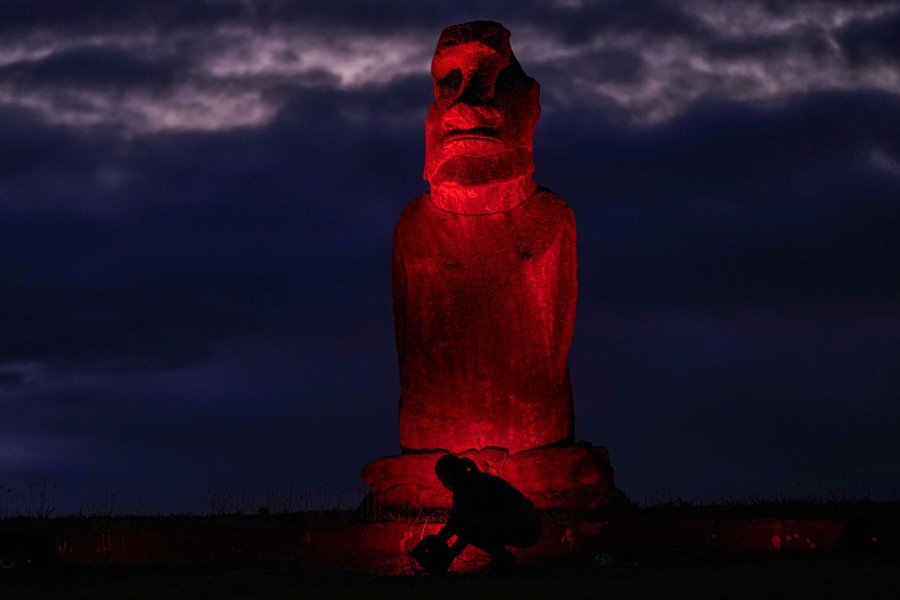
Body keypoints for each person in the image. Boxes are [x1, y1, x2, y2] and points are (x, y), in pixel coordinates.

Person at [419, 454, 542, 572]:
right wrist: (452, 552)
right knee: (470, 522)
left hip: (522, 524)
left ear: (448, 473)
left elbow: (457, 522)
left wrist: (434, 542)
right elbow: (468, 528)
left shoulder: (465, 484)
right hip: (531, 525)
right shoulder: (474, 479)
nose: (444, 486)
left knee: (467, 522)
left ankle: (503, 559)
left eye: (442, 479)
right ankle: (503, 559)